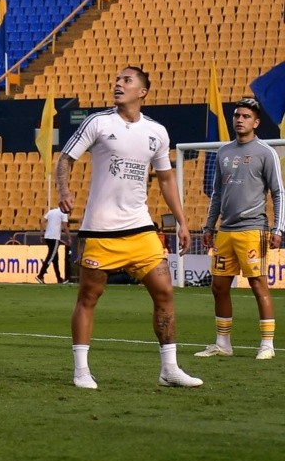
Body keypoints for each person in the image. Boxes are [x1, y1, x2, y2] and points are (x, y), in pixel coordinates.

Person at [55, 66, 202, 390]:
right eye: (117, 79)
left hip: (140, 228)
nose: (118, 84)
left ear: (142, 92)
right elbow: (65, 158)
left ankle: (169, 368)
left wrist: (182, 221)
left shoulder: (157, 133)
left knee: (164, 291)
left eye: (126, 80)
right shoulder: (98, 123)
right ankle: (81, 370)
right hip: (101, 230)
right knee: (89, 296)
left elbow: (165, 179)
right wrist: (64, 191)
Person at [195, 97, 284, 361]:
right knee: (219, 286)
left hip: (253, 230)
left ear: (256, 122)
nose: (240, 119)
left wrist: (278, 229)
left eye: (246, 116)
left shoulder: (266, 152)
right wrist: (210, 226)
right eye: (237, 115)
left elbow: (278, 193)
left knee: (258, 285)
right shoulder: (223, 152)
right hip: (226, 231)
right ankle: (223, 343)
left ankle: (267, 344)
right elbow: (217, 194)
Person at [36, 205, 70, 284]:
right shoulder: (63, 213)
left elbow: (42, 221)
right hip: (54, 238)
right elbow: (65, 226)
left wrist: (41, 234)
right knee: (51, 257)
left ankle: (59, 278)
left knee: (55, 258)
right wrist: (69, 237)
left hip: (48, 236)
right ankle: (40, 275)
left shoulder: (51, 212)